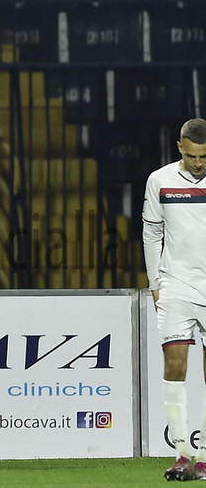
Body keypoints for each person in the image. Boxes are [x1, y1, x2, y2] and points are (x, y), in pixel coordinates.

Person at [143, 118, 206, 482]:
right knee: (175, 367)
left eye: (204, 156)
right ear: (179, 146)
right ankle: (182, 455)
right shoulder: (160, 180)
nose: (198, 163)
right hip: (176, 286)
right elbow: (151, 232)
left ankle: (204, 458)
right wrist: (155, 283)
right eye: (193, 155)